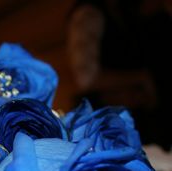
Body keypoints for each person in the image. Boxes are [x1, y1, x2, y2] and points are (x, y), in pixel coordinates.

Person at [67, 0, 172, 150]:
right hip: (108, 123)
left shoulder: (129, 12)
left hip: (141, 119)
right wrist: (141, 78)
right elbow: (86, 78)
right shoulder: (88, 13)